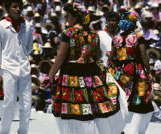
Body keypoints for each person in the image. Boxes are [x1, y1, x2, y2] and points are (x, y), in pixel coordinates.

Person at [49, 2, 125, 134]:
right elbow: (96, 56)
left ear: (75, 17)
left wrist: (51, 74)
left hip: (71, 76)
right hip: (90, 76)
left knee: (73, 113)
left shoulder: (68, 33)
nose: (66, 19)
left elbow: (61, 56)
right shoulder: (93, 34)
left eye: (68, 16)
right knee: (90, 111)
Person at [107, 11, 154, 134]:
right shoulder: (138, 38)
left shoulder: (116, 38)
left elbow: (112, 57)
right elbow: (143, 57)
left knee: (122, 99)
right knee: (137, 100)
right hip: (135, 70)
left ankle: (120, 127)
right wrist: (148, 72)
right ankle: (132, 129)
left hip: (120, 72)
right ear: (132, 24)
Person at [0, 0, 33, 134]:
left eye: (19, 7)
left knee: (26, 104)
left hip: (24, 68)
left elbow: (29, 47)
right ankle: (4, 132)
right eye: (14, 7)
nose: (17, 9)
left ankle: (23, 131)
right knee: (9, 102)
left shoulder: (27, 25)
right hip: (7, 68)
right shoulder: (0, 26)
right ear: (8, 9)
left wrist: (22, 56)